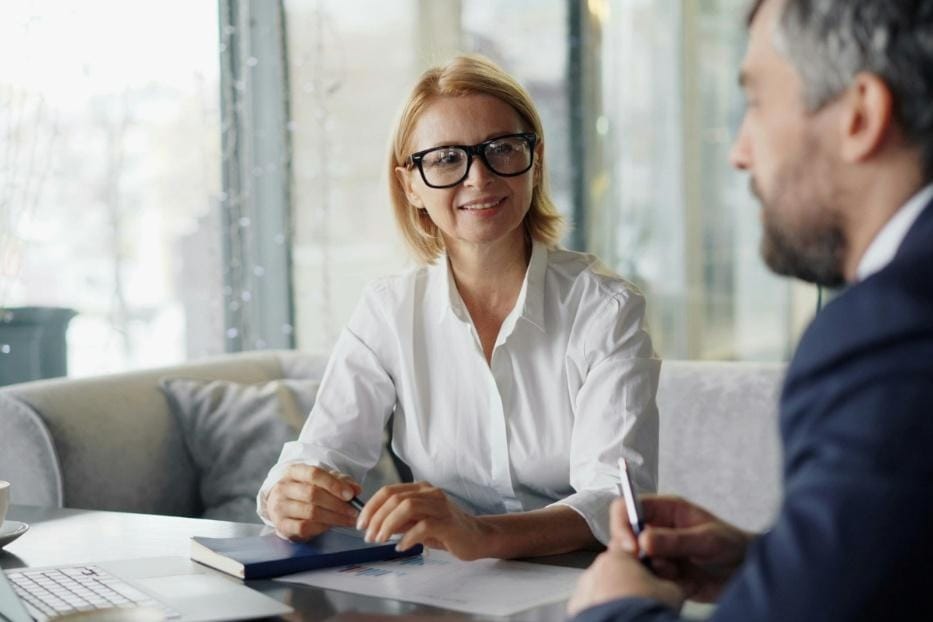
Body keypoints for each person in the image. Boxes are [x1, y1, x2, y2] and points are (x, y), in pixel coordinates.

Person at [567, 0, 933, 619]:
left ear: (861, 116)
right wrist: (770, 565)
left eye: (758, 102)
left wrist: (615, 609)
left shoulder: (887, 331)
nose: (739, 151)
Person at [257, 54, 660, 560]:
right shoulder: (388, 311)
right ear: (411, 185)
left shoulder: (605, 307)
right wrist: (286, 498)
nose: (479, 178)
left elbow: (614, 498)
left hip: (582, 581)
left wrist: (480, 535)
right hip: (443, 588)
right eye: (447, 158)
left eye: (502, 149)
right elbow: (323, 457)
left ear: (534, 161)